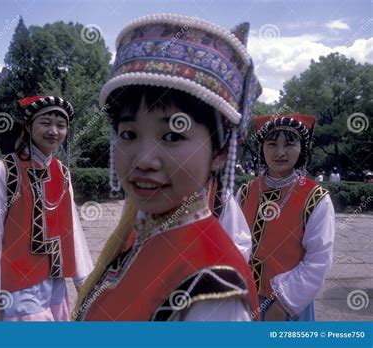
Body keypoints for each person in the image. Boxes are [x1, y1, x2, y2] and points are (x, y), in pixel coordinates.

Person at [73, 13, 262, 321]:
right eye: (129, 134)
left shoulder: (212, 290)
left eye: (173, 135)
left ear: (221, 152)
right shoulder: (142, 237)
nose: (144, 160)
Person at [0, 96, 93, 321]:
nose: (54, 131)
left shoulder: (63, 173)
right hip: (18, 281)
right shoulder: (4, 171)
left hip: (55, 279)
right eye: (45, 123)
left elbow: (72, 228)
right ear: (28, 126)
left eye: (61, 125)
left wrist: (83, 280)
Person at [237, 114, 335, 321]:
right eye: (272, 144)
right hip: (243, 300)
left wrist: (283, 304)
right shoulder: (245, 192)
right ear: (262, 148)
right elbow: (232, 243)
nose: (280, 152)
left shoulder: (316, 198)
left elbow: (318, 260)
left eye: (289, 144)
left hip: (289, 305)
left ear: (302, 149)